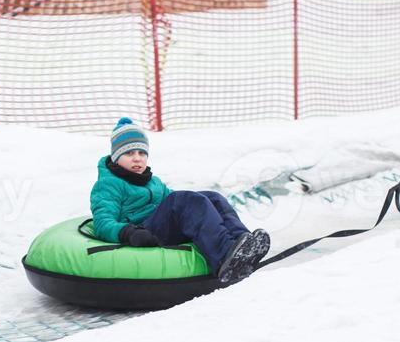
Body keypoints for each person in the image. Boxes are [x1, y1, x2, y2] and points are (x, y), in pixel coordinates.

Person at [89, 117, 270, 285]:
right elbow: (102, 222)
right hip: (143, 231)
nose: (137, 158)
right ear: (116, 156)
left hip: (161, 225)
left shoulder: (152, 181)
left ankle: (243, 242)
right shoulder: (108, 185)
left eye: (141, 153)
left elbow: (175, 203)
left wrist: (197, 201)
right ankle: (224, 255)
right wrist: (128, 233)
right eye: (129, 153)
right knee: (184, 200)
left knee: (212, 197)